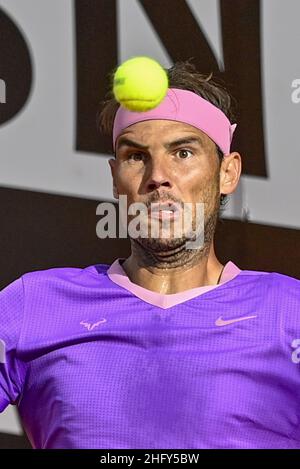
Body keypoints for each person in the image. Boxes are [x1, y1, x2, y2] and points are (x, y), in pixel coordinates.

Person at [0, 60, 299, 449]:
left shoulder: (289, 312)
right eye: (136, 156)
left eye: (183, 153)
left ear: (227, 172)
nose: (158, 175)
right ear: (114, 177)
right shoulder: (33, 306)